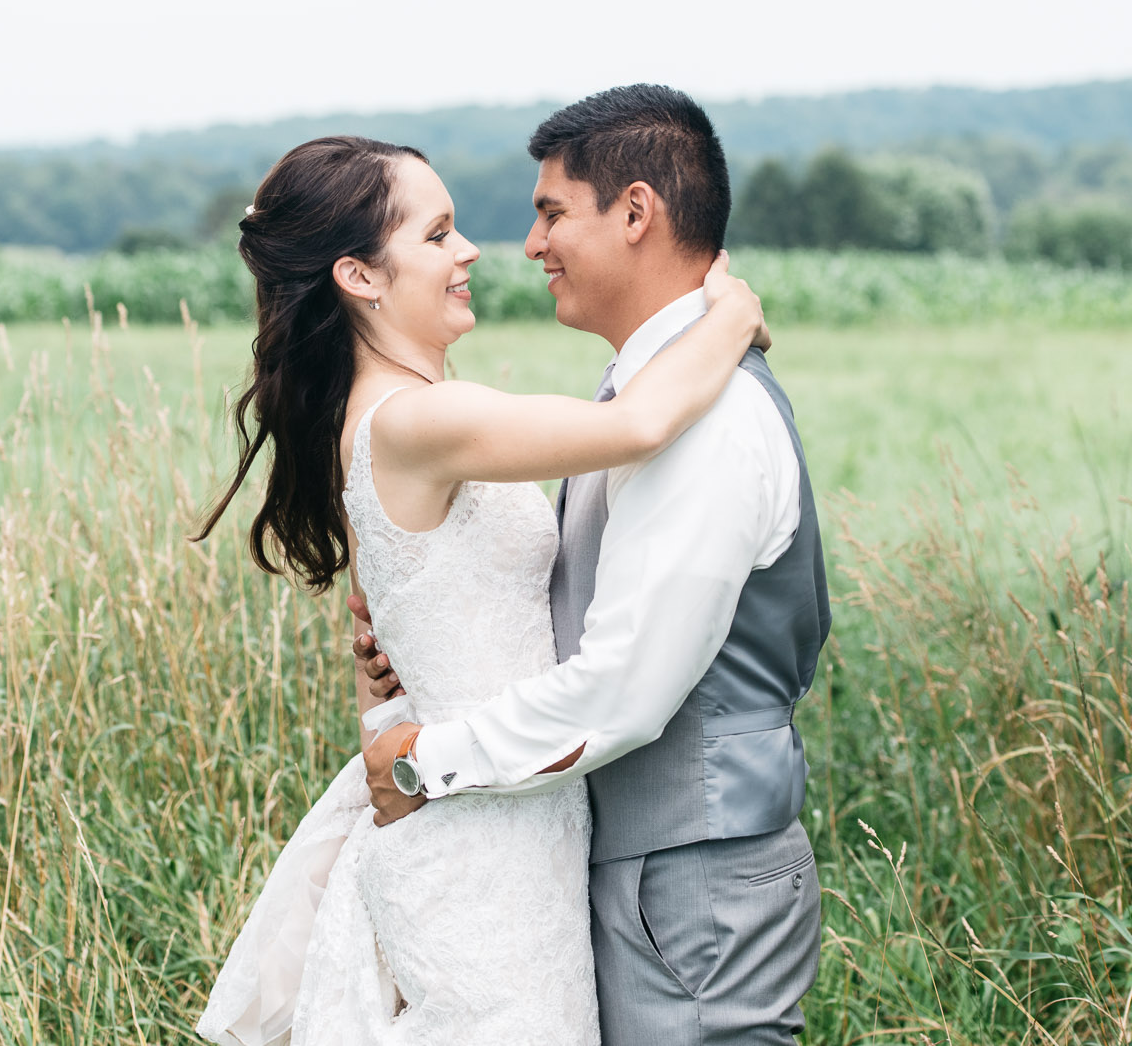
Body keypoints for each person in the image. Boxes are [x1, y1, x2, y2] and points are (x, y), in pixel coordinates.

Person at [193, 129, 770, 1045]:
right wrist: (730, 318)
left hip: (507, 813)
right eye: (436, 235)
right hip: (480, 846)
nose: (469, 252)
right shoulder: (420, 419)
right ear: (360, 276)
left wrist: (386, 695)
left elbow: (391, 639)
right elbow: (644, 421)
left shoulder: (391, 418)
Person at [357, 84, 831, 1045]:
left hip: (696, 883)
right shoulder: (651, 394)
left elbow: (623, 690)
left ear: (636, 212)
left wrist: (425, 761)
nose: (529, 245)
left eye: (550, 212)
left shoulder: (711, 420)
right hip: (637, 869)